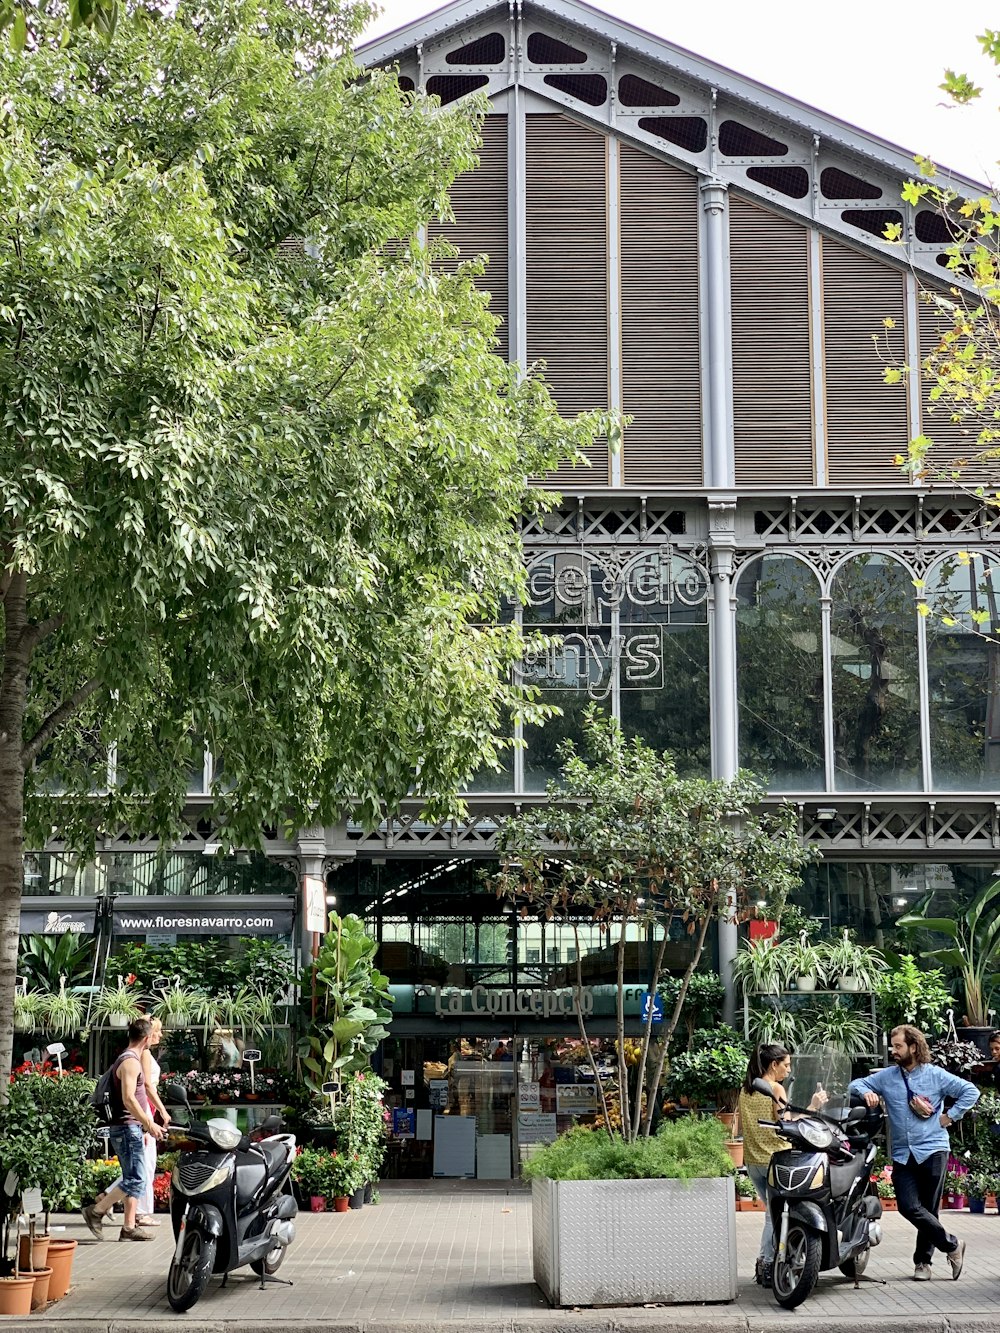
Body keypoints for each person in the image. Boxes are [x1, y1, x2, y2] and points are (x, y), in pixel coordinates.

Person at [849, 1023, 979, 1282]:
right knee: (908, 1207)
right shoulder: (887, 1076)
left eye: (898, 1046)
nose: (893, 1051)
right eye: (892, 1046)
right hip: (902, 1153)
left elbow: (970, 1091)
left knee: (929, 1208)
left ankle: (923, 1263)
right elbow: (855, 1084)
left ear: (914, 1047)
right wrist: (867, 1092)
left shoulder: (935, 1075)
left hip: (933, 1148)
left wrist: (949, 1117)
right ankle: (953, 1245)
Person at [738, 1043, 828, 1289]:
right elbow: (787, 1124)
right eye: (786, 1065)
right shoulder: (775, 1088)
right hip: (775, 1160)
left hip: (754, 1161)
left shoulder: (746, 1089)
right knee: (772, 1217)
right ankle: (766, 1264)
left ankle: (768, 1263)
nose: (789, 1070)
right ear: (773, 1065)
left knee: (771, 1212)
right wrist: (813, 1107)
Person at [81, 1018, 166, 1242]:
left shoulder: (130, 1059)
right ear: (146, 1038)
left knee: (132, 1176)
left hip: (130, 1127)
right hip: (128, 1127)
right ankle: (96, 1211)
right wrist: (149, 1123)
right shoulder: (130, 1062)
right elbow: (129, 1099)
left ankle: (128, 1228)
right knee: (137, 1178)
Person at [103, 1017, 171, 1226]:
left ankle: (129, 1224)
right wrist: (153, 1118)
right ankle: (102, 1208)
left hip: (136, 1118)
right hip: (135, 1119)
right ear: (147, 1036)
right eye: (157, 1032)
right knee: (141, 1170)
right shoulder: (136, 1058)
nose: (159, 1036)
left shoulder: (134, 1056)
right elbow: (135, 1094)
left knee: (137, 1171)